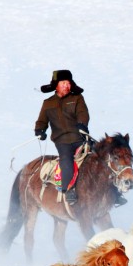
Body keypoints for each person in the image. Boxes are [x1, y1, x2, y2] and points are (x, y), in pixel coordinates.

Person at [35, 69, 90, 205]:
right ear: (56, 85)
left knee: (97, 158)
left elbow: (83, 113)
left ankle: (114, 192)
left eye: (68, 83)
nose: (66, 85)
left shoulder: (77, 98)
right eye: (63, 82)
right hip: (62, 141)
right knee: (67, 161)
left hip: (80, 137)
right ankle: (69, 189)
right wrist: (39, 130)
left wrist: (82, 124)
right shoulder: (48, 103)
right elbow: (42, 120)